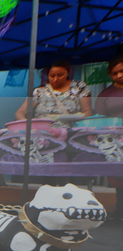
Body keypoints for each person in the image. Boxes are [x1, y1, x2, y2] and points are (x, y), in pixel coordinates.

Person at [15, 61, 93, 125]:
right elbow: (20, 112)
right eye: (52, 76)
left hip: (71, 131)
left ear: (68, 72)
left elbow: (88, 111)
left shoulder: (79, 87)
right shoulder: (39, 91)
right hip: (42, 132)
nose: (55, 79)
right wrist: (28, 125)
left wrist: (75, 119)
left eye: (60, 75)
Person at [96, 55, 123, 220]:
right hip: (115, 139)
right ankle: (120, 210)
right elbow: (100, 118)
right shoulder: (105, 94)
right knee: (119, 176)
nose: (119, 75)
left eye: (122, 71)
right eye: (114, 73)